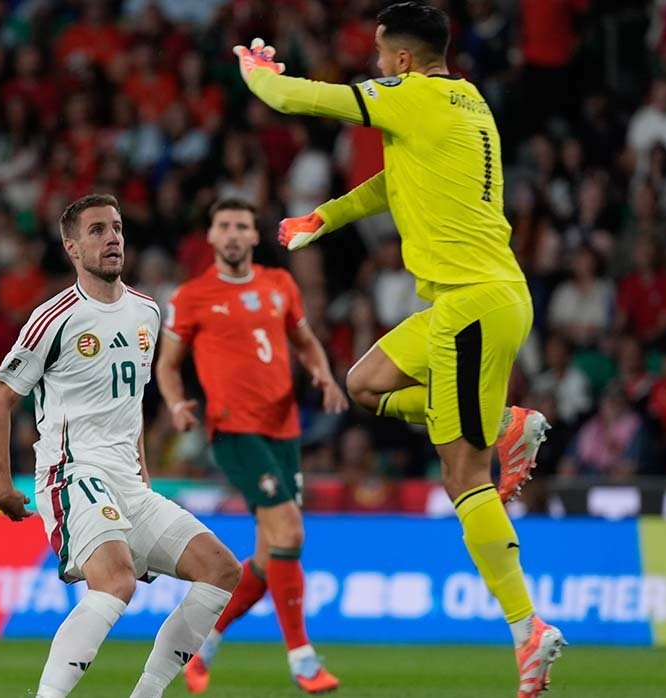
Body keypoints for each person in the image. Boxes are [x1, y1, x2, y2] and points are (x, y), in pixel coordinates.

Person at [233, 4, 563, 694]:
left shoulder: (409, 95)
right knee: (364, 383)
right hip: (470, 303)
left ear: (404, 60)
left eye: (382, 56)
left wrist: (256, 72)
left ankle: (526, 629)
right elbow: (396, 182)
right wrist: (325, 217)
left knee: (463, 476)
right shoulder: (468, 102)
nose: (378, 66)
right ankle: (505, 422)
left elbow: (298, 98)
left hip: (473, 305)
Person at [0, 194, 240, 698]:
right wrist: (1, 485)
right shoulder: (53, 319)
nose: (112, 238)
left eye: (117, 227)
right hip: (71, 473)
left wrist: (141, 472)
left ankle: (147, 694)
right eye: (97, 230)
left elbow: (132, 402)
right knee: (116, 581)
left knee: (221, 570)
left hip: (128, 483)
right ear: (72, 248)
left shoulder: (146, 311)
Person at [156, 199, 348, 693]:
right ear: (211, 237)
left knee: (269, 556)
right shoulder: (193, 296)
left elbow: (305, 341)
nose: (233, 233)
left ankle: (200, 647)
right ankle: (303, 659)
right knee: (290, 530)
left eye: (242, 225)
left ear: (255, 236)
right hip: (233, 429)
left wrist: (323, 374)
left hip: (284, 430)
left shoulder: (279, 284)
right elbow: (168, 364)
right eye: (224, 225)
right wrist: (176, 404)